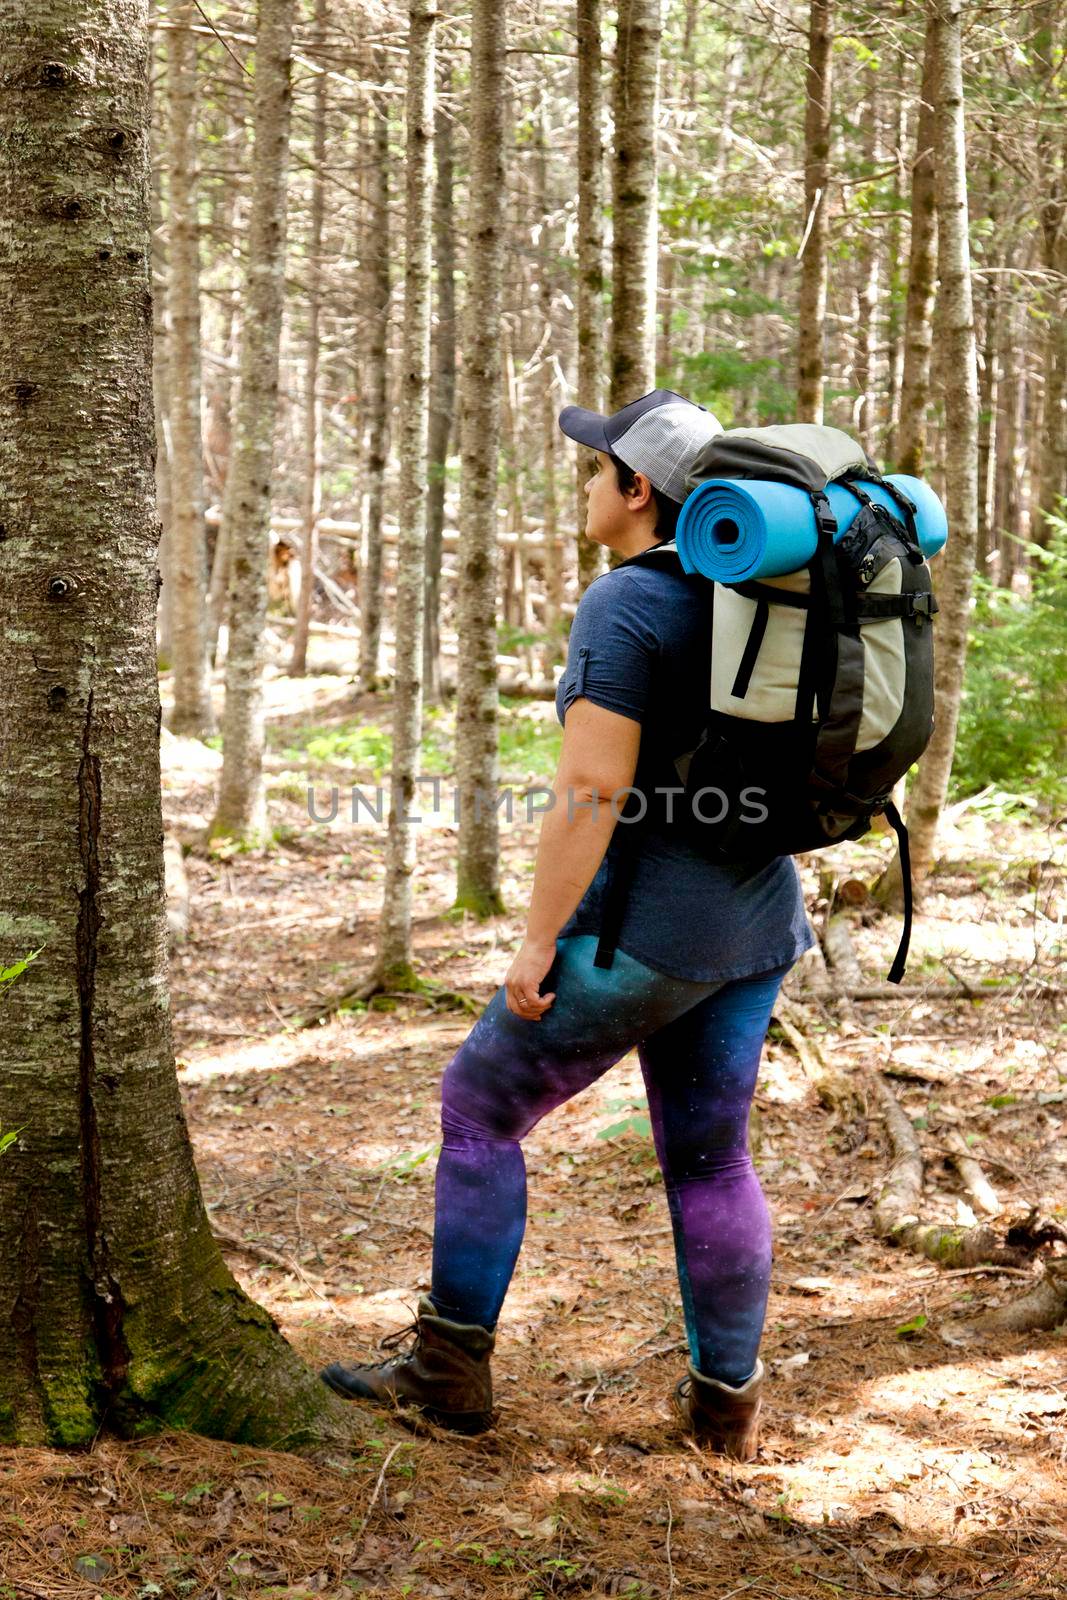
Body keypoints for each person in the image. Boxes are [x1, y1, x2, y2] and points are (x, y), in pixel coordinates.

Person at [320, 389, 816, 1459]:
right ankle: (724, 1406)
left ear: (639, 492)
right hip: (756, 923)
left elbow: (591, 790)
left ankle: (446, 1373)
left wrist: (535, 938)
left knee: (477, 1105)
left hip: (638, 935)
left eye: (597, 470)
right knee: (710, 1159)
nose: (587, 485)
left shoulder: (626, 604)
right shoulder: (754, 598)